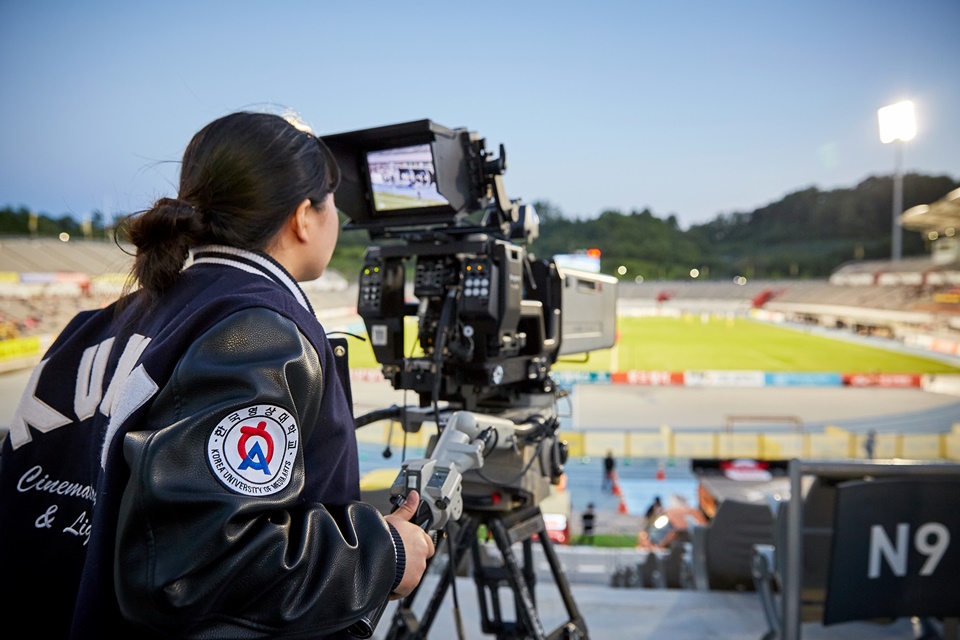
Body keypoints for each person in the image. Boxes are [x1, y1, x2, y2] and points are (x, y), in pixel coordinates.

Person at [0, 111, 435, 639]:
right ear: (303, 216)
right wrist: (382, 554)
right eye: (331, 203)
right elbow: (203, 564)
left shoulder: (98, 322)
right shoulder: (258, 328)